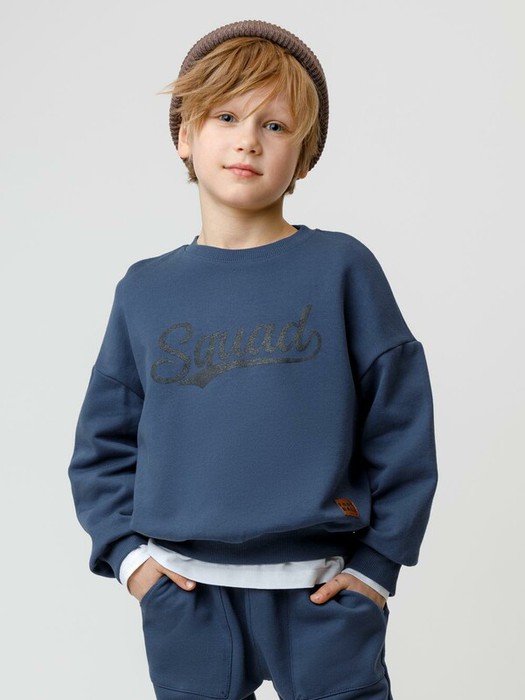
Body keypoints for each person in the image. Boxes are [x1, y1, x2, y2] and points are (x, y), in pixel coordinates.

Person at [67, 18, 438, 700]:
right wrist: (132, 563)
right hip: (186, 596)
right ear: (185, 135)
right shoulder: (145, 290)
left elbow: (401, 428)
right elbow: (102, 446)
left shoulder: (341, 269)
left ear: (305, 156)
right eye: (226, 116)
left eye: (275, 125)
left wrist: (377, 566)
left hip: (323, 591)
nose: (247, 139)